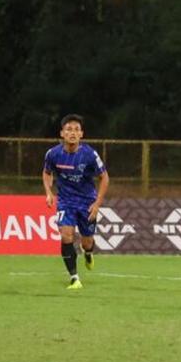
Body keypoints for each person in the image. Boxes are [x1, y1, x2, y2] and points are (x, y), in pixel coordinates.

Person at [43, 114, 109, 290]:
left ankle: (88, 252)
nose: (72, 133)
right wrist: (49, 192)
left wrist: (97, 204)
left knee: (87, 241)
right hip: (66, 201)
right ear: (62, 133)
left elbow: (104, 178)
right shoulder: (53, 154)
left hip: (87, 201)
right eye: (69, 129)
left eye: (76, 130)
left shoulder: (89, 155)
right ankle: (74, 277)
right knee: (66, 235)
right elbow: (47, 172)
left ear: (82, 134)